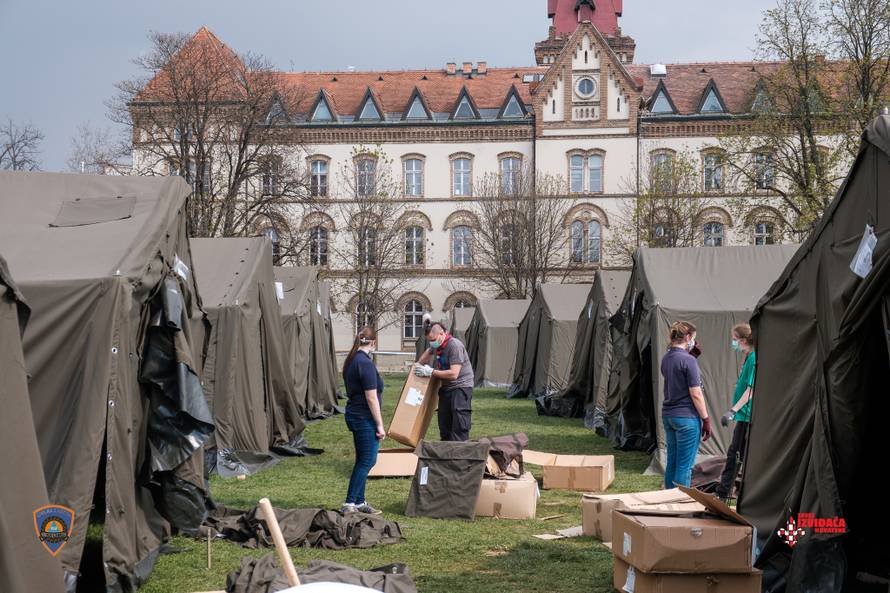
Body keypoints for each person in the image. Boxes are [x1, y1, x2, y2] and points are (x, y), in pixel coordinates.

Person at [660, 321, 712, 489]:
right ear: (688, 337)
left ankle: (667, 501)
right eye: (693, 338)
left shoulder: (666, 357)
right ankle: (679, 504)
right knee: (684, 466)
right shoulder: (688, 361)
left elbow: (677, 376)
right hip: (687, 418)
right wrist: (706, 419)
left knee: (672, 463)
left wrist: (691, 357)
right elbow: (696, 394)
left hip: (669, 415)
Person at [341, 326, 385, 515]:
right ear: (373, 343)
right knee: (368, 460)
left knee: (362, 459)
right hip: (363, 417)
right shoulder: (365, 363)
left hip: (355, 414)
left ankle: (359, 502)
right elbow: (371, 397)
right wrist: (380, 424)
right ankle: (349, 503)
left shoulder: (352, 360)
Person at [415, 318, 475, 441]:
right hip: (446, 387)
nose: (432, 343)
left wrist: (431, 371)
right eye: (429, 341)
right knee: (444, 423)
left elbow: (454, 374)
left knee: (459, 424)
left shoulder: (454, 346)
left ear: (442, 333)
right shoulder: (437, 344)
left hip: (461, 387)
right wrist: (416, 367)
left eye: (433, 340)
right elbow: (429, 352)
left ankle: (460, 454)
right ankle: (446, 454)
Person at [716, 323, 755, 501]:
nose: (733, 343)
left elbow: (750, 390)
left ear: (744, 340)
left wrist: (732, 410)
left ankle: (723, 495)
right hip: (743, 416)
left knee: (735, 456)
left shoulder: (754, 357)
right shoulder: (748, 356)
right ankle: (724, 493)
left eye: (734, 339)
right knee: (734, 455)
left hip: (747, 417)